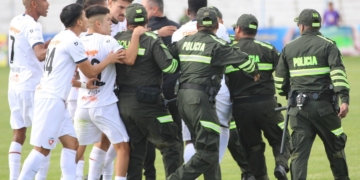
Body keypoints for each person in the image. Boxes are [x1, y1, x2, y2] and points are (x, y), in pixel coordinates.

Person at [18, 3, 124, 179]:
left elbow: (65, 76)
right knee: (42, 149)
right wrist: (109, 59)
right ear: (78, 21)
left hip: (55, 99)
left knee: (72, 144)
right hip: (51, 101)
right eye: (83, 16)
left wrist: (84, 85)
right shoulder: (73, 40)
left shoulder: (59, 37)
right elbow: (90, 71)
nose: (86, 19)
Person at [167, 7, 259, 180]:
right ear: (217, 25)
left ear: (198, 25)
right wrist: (255, 72)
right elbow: (246, 62)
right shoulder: (218, 45)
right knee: (209, 152)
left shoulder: (183, 41)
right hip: (200, 101)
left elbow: (167, 63)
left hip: (182, 100)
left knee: (207, 146)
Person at [275, 9, 350, 180]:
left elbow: (279, 83)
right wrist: (344, 99)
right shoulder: (329, 45)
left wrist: (289, 92)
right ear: (319, 25)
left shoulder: (288, 48)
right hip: (325, 109)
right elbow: (338, 74)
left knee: (299, 156)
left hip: (298, 111)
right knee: (336, 150)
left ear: (301, 26)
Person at [74, 5, 146, 180]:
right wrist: (136, 35)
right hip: (103, 105)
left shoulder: (79, 40)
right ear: (98, 23)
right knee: (123, 148)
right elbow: (129, 59)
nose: (111, 25)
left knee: (80, 148)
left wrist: (83, 85)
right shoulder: (108, 41)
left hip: (82, 106)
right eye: (108, 21)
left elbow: (72, 76)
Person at [114, 3, 182, 180]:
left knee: (136, 151)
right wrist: (176, 53)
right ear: (146, 20)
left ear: (127, 21)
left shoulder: (117, 37)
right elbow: (170, 67)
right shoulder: (152, 39)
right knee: (172, 146)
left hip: (123, 103)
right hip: (149, 103)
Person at [171, 0, 233, 166]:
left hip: (189, 89)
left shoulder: (178, 33)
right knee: (221, 129)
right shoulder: (221, 29)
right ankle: (213, 168)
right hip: (218, 88)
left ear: (187, 11)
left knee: (191, 138)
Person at [229, 14, 290, 180]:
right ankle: (281, 165)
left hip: (240, 108)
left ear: (239, 29)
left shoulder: (229, 51)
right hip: (267, 105)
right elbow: (284, 72)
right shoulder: (268, 48)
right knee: (281, 138)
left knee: (252, 147)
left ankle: (261, 177)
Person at [8, 0, 51, 179]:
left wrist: (50, 43)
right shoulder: (33, 26)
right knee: (44, 140)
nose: (48, 4)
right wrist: (62, 46)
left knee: (18, 135)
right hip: (31, 87)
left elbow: (30, 49)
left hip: (14, 84)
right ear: (34, 3)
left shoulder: (16, 20)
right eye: (44, 1)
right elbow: (40, 55)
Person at [141, 0, 182, 179]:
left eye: (144, 8)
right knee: (174, 138)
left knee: (146, 138)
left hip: (152, 93)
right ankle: (175, 175)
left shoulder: (142, 30)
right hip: (173, 92)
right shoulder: (177, 28)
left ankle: (150, 176)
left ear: (154, 9)